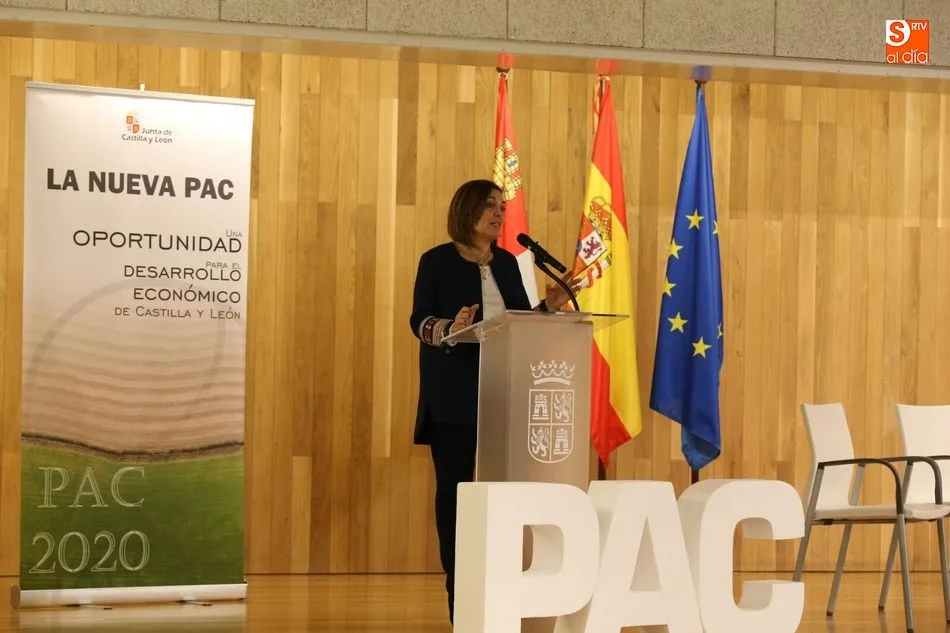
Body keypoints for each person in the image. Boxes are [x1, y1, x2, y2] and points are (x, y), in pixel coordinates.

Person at [408, 179, 580, 623]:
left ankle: (501, 599)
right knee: (457, 500)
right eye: (490, 205)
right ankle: (460, 601)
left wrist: (551, 305)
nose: (499, 213)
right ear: (466, 210)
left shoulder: (506, 263)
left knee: (502, 503)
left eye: (502, 206)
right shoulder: (437, 262)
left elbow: (520, 326)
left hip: (503, 401)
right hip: (453, 404)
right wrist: (452, 326)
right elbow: (419, 321)